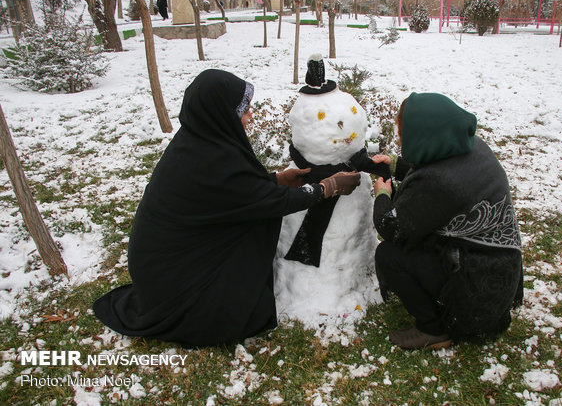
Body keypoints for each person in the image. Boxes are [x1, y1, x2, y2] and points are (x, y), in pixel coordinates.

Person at [93, 69, 361, 348]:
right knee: (255, 227)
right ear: (220, 112)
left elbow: (233, 194)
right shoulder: (212, 160)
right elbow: (268, 202)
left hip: (165, 266)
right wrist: (327, 188)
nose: (249, 117)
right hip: (175, 283)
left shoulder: (198, 143)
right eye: (242, 110)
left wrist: (277, 180)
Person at [371, 92, 523, 350]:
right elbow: (439, 166)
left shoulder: (441, 184)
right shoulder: (473, 146)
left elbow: (391, 227)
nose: (400, 138)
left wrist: (383, 194)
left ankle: (432, 329)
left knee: (389, 255)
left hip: (476, 289)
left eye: (404, 132)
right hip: (501, 270)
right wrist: (398, 165)